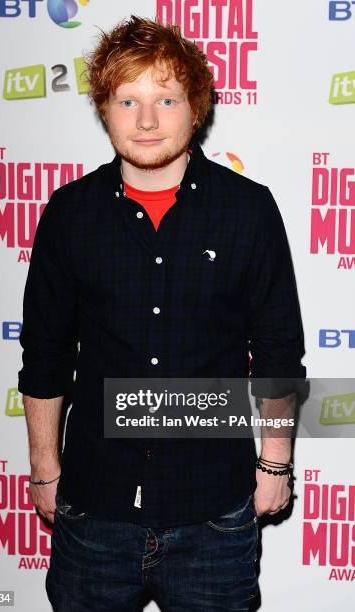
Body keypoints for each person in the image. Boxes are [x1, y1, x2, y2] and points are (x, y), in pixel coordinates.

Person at [18, 14, 306, 612]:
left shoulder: (248, 211)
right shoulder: (69, 214)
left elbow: (279, 353)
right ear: (104, 108)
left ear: (195, 106)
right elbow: (44, 358)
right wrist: (45, 468)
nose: (146, 120)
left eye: (165, 99)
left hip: (215, 517)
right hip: (93, 513)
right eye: (128, 100)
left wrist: (275, 464)